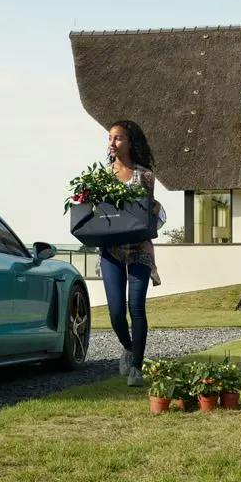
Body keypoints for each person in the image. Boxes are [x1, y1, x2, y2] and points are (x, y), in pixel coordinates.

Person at [100, 119, 160, 387]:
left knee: (136, 306)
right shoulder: (101, 176)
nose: (112, 143)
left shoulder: (145, 176)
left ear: (130, 142)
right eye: (110, 138)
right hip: (111, 250)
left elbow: (143, 212)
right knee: (115, 312)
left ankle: (136, 366)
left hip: (139, 249)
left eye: (118, 138)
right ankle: (128, 346)